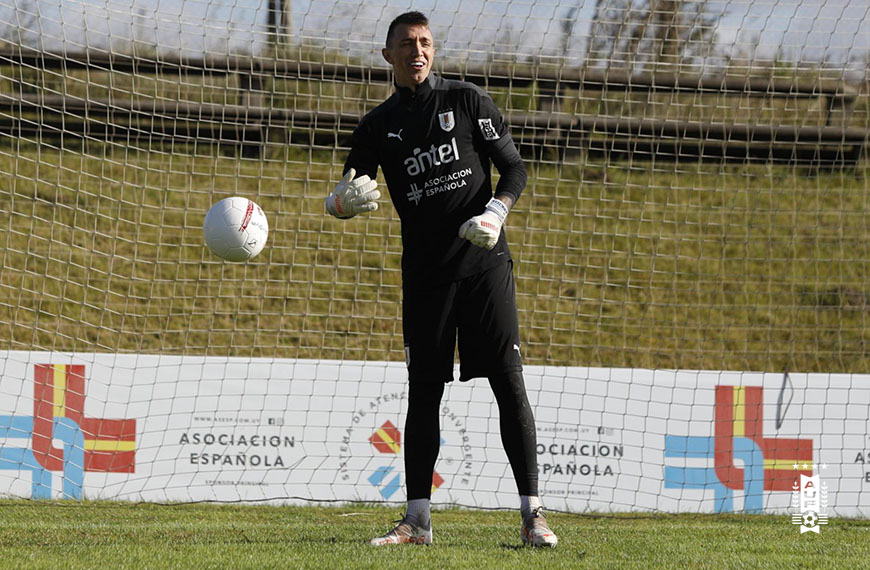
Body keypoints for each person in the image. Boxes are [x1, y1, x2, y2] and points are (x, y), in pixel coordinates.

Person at [325, 10, 557, 548]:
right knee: (424, 393)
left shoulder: (468, 101)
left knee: (509, 383)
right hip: (426, 278)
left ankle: (533, 516)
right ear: (388, 55)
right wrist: (338, 203)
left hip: (485, 267)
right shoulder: (377, 126)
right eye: (407, 43)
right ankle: (417, 522)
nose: (418, 51)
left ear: (434, 49)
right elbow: (347, 189)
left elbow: (515, 168)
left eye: (425, 42)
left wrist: (496, 211)